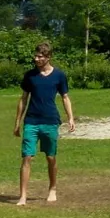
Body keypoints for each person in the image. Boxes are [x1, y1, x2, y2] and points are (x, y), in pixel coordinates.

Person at [14, 43, 75, 206]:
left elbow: (65, 97)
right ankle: (23, 196)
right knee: (27, 157)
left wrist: (70, 118)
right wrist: (18, 122)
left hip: (50, 121)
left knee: (50, 157)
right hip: (31, 121)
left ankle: (52, 188)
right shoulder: (30, 76)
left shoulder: (59, 76)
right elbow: (23, 99)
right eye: (35, 56)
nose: (36, 59)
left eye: (40, 56)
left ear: (48, 57)